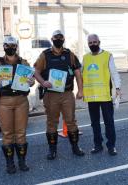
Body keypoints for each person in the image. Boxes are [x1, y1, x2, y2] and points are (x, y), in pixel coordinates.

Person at [34, 30, 85, 160]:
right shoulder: (45, 55)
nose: (58, 39)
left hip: (67, 93)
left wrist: (80, 90)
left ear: (64, 39)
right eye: (56, 37)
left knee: (71, 121)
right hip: (51, 95)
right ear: (52, 39)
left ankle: (75, 147)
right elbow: (36, 71)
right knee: (51, 123)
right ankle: (52, 150)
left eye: (61, 37)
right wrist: (43, 82)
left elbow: (78, 72)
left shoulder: (70, 54)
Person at [0, 36, 35, 174]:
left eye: (13, 45)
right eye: (7, 45)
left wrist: (30, 81)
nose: (10, 48)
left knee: (21, 133)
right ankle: (10, 163)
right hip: (4, 101)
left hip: (21, 100)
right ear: (4, 46)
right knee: (7, 133)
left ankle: (22, 161)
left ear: (16, 47)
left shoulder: (24, 62)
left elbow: (32, 81)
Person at [82, 34, 121, 156]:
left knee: (109, 121)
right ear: (88, 44)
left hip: (105, 96)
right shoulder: (85, 58)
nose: (92, 44)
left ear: (99, 42)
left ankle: (111, 146)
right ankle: (97, 145)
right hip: (91, 96)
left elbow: (114, 73)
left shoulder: (107, 56)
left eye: (94, 42)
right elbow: (81, 74)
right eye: (90, 42)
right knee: (94, 123)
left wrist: (118, 87)